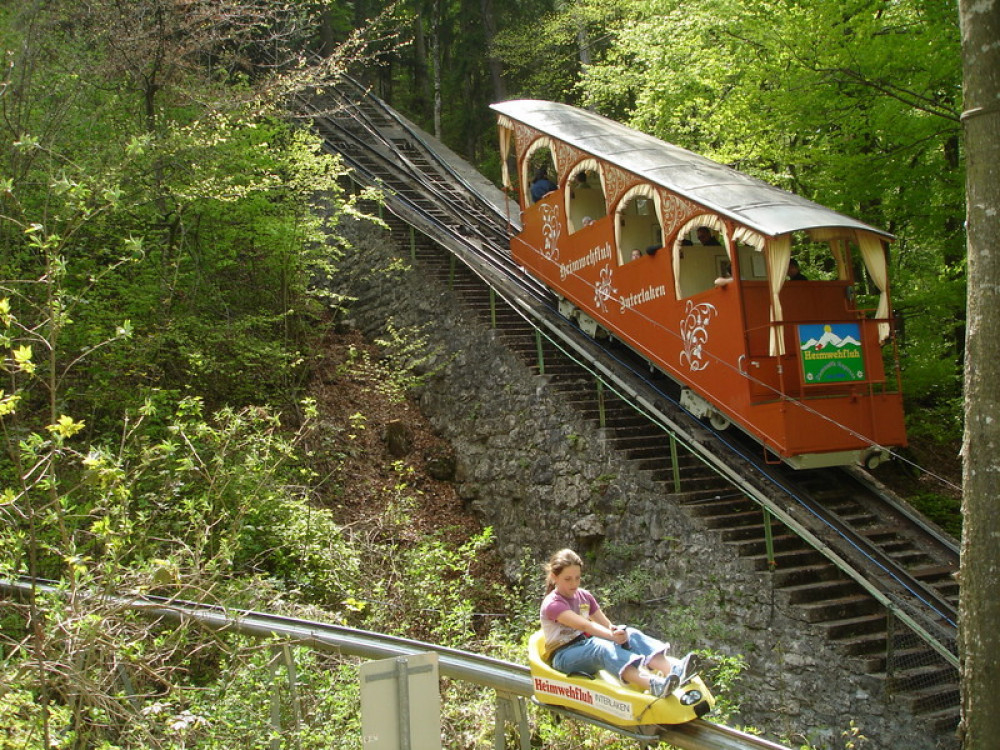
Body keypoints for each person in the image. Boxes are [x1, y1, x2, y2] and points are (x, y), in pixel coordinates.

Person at [539, 548, 699, 697]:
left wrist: (617, 632)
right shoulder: (553, 603)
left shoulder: (584, 596)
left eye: (577, 578)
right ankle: (653, 685)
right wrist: (611, 636)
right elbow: (584, 625)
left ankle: (674, 670)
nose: (574, 584)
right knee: (601, 649)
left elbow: (605, 624)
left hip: (586, 644)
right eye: (567, 579)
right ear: (554, 577)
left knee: (630, 633)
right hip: (564, 655)